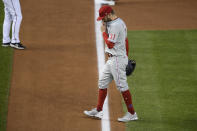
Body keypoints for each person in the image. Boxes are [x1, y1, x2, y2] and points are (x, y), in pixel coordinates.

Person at [84, 5, 138, 122]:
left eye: (104, 17)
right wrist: (126, 57)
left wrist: (103, 32)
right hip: (112, 60)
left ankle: (132, 113)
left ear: (109, 14)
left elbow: (110, 44)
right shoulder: (116, 22)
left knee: (122, 86)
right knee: (102, 82)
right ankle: (98, 110)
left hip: (117, 59)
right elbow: (126, 41)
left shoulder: (116, 25)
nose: (102, 20)